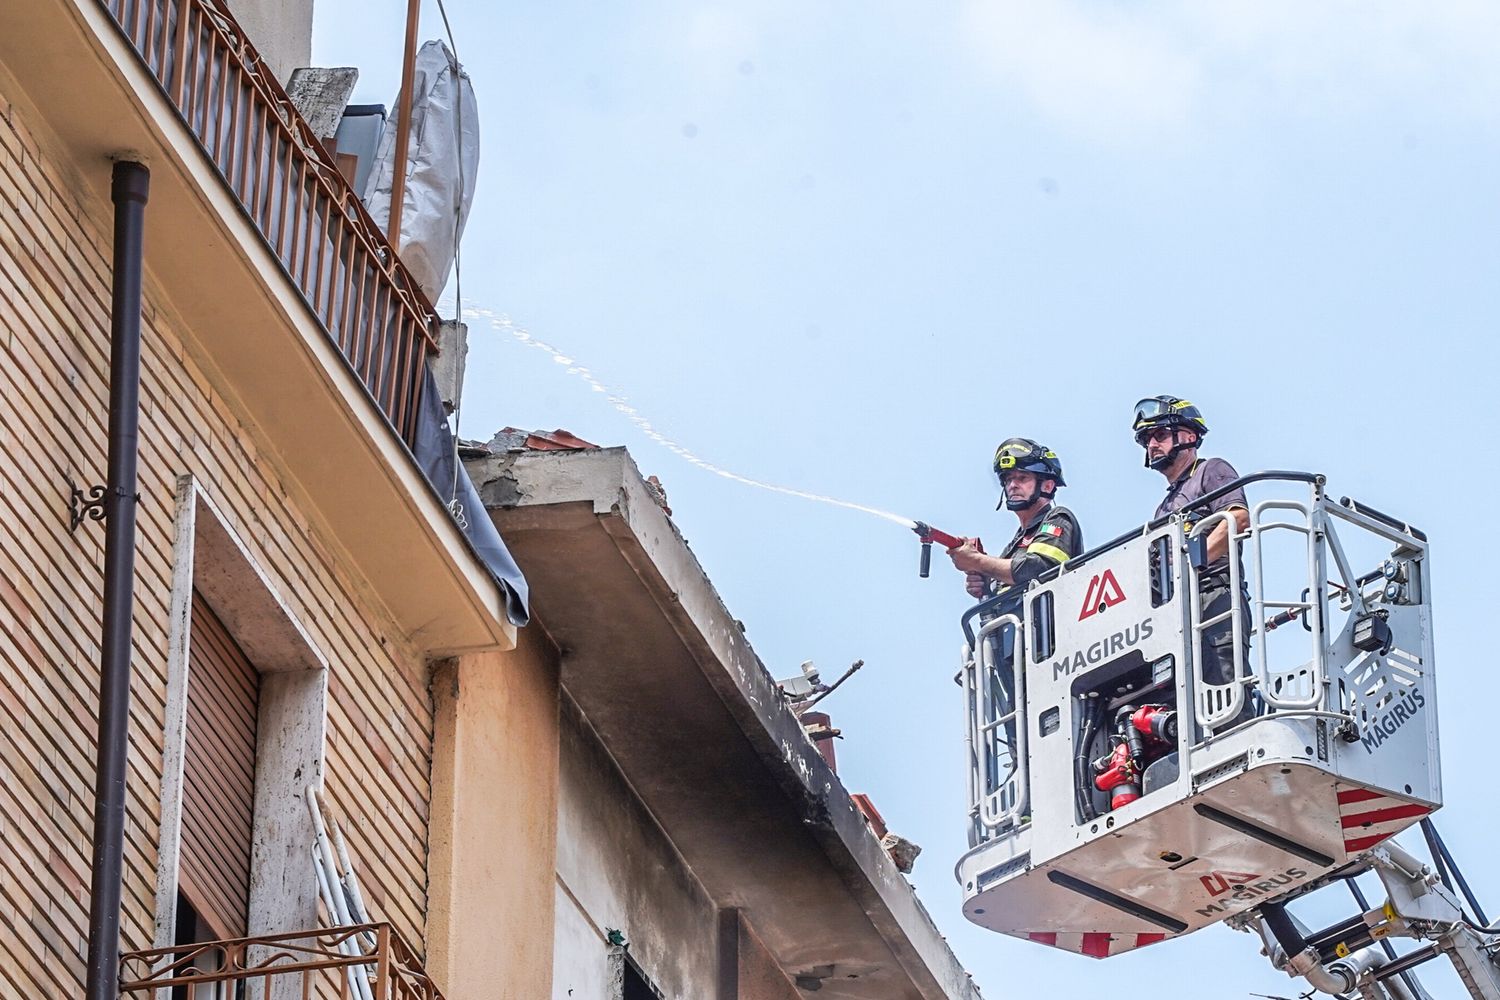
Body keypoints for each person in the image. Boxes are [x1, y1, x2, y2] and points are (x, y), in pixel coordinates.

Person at [1132, 395, 1252, 729]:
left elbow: (1238, 519)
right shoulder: (1164, 507)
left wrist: (1191, 563)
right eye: (1146, 440)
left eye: (1159, 435)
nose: (1151, 445)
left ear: (1187, 436)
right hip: (1179, 609)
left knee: (1226, 687)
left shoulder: (1211, 471)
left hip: (1215, 599)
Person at [946, 437, 1083, 603]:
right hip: (1015, 627)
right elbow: (1011, 579)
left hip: (1051, 625)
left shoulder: (1058, 518)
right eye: (1008, 479)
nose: (1012, 485)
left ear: (1047, 486)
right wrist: (985, 582)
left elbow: (1038, 569)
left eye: (1022, 478)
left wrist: (977, 561)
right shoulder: (1012, 548)